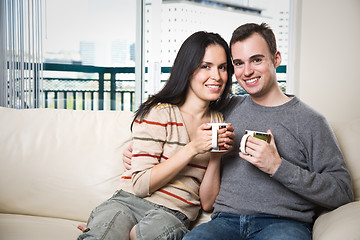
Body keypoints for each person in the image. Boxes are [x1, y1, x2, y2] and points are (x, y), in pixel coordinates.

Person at [123, 23, 354, 240]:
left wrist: (277, 166)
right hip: (224, 223)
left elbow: (342, 192)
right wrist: (141, 149)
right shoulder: (224, 109)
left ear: (276, 59)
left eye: (256, 60)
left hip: (284, 224)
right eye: (239, 63)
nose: (247, 71)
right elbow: (183, 117)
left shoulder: (311, 121)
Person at [77, 31, 235, 240]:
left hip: (173, 213)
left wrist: (216, 154)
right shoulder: (160, 112)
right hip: (127, 201)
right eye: (206, 66)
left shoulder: (218, 121)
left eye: (222, 67)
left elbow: (207, 203)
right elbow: (141, 185)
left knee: (148, 234)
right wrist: (193, 148)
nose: (216, 76)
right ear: (187, 70)